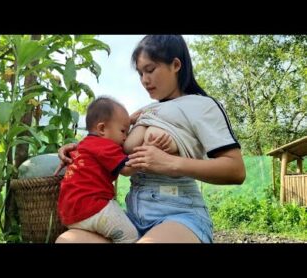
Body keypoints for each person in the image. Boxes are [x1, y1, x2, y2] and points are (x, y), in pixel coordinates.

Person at [56, 35, 246, 243]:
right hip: (131, 219)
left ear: (175, 65)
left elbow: (236, 170)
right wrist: (80, 148)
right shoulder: (144, 112)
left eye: (150, 70)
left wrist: (171, 163)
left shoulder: (202, 106)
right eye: (140, 73)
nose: (144, 80)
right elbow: (107, 141)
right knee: (67, 240)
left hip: (179, 215)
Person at [56, 96, 140, 243]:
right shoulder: (105, 146)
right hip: (93, 207)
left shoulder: (84, 144)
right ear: (101, 128)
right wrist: (145, 154)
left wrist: (125, 123)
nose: (126, 138)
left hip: (70, 213)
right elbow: (126, 170)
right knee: (130, 235)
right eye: (123, 131)